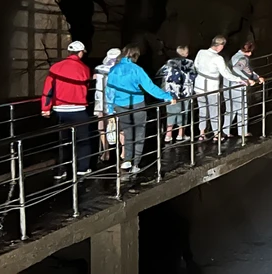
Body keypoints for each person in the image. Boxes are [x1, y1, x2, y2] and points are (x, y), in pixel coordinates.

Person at [105, 45, 174, 174]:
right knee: (139, 134)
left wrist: (109, 109)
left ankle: (126, 160)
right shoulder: (137, 69)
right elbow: (150, 87)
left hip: (120, 105)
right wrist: (167, 97)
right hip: (137, 104)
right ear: (136, 55)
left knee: (127, 132)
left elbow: (109, 91)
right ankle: (136, 163)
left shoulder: (114, 69)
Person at [41, 40, 93, 179]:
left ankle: (61, 169)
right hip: (79, 109)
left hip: (60, 110)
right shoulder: (85, 69)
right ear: (80, 53)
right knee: (83, 140)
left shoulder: (55, 67)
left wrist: (45, 108)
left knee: (62, 141)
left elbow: (48, 89)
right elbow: (86, 88)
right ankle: (83, 168)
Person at [193, 36, 254, 142]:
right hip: (211, 87)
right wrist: (239, 79)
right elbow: (226, 74)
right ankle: (216, 134)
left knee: (202, 110)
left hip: (199, 86)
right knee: (214, 111)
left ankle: (201, 133)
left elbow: (196, 66)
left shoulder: (201, 52)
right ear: (220, 46)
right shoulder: (218, 58)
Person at [224, 42, 264, 138]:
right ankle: (242, 131)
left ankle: (225, 131)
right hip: (237, 87)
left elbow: (247, 69)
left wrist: (257, 77)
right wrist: (247, 80)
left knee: (230, 110)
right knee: (242, 109)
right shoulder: (242, 58)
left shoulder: (235, 56)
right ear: (249, 52)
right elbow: (237, 69)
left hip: (227, 86)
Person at [157, 46, 196, 143]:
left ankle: (168, 134)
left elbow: (159, 74)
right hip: (185, 92)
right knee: (183, 112)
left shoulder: (169, 62)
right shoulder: (190, 63)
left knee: (170, 112)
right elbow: (193, 76)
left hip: (171, 92)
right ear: (186, 53)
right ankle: (180, 134)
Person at [93, 48, 121, 162]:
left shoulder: (99, 69)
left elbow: (94, 78)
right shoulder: (121, 70)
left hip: (100, 101)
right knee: (120, 128)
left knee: (102, 127)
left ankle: (106, 152)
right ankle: (122, 152)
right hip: (116, 102)